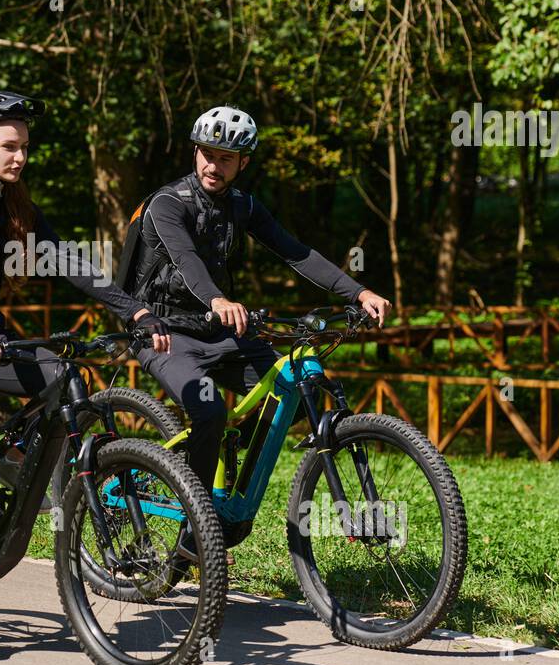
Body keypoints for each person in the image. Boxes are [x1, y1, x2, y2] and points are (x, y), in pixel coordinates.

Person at [0, 89, 170, 629]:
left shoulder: (13, 206)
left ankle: (20, 459)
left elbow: (70, 261)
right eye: (9, 147)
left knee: (62, 376)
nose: (20, 157)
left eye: (24, 147)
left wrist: (134, 311)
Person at [122, 104, 391, 541]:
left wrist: (358, 292)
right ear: (195, 153)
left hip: (221, 333)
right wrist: (218, 298)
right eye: (207, 153)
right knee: (209, 409)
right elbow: (185, 261)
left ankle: (228, 464)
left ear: (243, 162)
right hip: (163, 333)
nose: (214, 164)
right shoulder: (167, 205)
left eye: (226, 157)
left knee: (286, 389)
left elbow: (295, 252)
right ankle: (198, 528)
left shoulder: (243, 206)